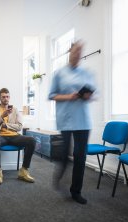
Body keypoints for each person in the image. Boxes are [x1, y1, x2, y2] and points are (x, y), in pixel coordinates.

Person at [48, 41, 96, 204]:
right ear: (70, 51)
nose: (78, 54)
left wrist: (88, 96)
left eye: (81, 52)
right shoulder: (59, 73)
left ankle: (76, 191)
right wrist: (69, 96)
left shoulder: (86, 73)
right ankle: (60, 174)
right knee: (64, 155)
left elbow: (94, 94)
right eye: (76, 51)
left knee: (80, 157)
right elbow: (51, 95)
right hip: (66, 119)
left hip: (83, 120)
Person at [0, 88, 36, 184]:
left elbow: (19, 127)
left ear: (9, 97)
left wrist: (6, 125)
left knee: (31, 140)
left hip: (14, 136)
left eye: (7, 96)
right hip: (0, 136)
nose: (6, 98)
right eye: (3, 97)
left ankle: (24, 170)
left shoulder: (15, 110)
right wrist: (2, 117)